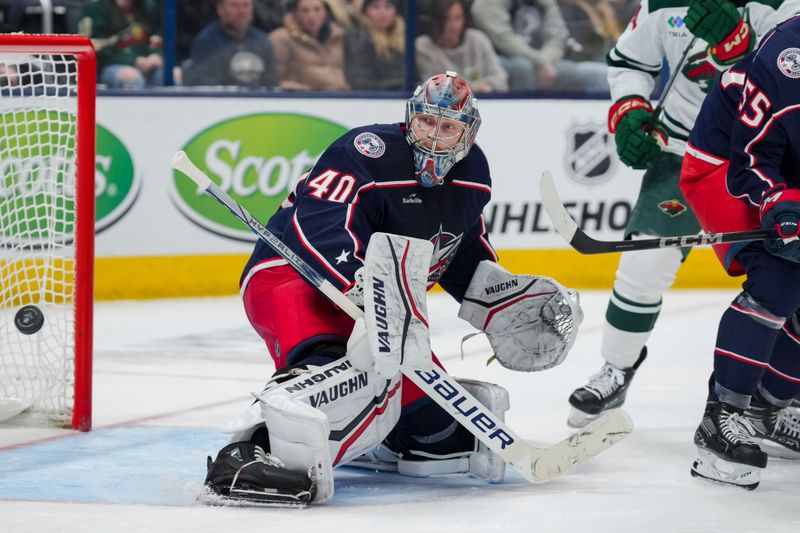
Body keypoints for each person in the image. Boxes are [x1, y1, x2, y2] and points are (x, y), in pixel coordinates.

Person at [199, 72, 582, 506]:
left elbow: (458, 247)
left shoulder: (474, 172)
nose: (436, 137)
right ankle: (246, 453)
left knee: (440, 433)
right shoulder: (363, 152)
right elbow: (321, 224)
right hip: (296, 276)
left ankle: (369, 435)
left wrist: (498, 299)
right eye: (427, 123)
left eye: (449, 127)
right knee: (338, 375)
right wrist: (362, 285)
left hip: (387, 303)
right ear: (409, 119)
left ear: (468, 132)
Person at [566, 0, 800, 430]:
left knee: (785, 274)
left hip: (766, 158)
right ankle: (616, 368)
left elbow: (788, 75)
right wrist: (632, 110)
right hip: (684, 151)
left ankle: (777, 398)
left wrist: (741, 48)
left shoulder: (781, 5)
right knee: (644, 261)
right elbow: (628, 59)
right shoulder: (662, 5)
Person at [678, 16, 800, 489]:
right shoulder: (789, 57)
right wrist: (780, 204)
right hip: (725, 163)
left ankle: (769, 408)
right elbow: (753, 155)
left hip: (786, 166)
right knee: (781, 274)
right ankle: (722, 415)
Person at [469, 0, 608, 92]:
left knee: (568, 71)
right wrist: (541, 61)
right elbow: (503, 39)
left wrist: (545, 61)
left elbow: (557, 37)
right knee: (521, 67)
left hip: (545, 62)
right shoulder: (486, 4)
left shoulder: (546, 3)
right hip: (498, 62)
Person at [416, 0, 509, 92]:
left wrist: (489, 86)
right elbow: (429, 88)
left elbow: (501, 78)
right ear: (436, 21)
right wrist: (472, 88)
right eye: (447, 19)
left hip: (484, 103)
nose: (453, 25)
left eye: (458, 18)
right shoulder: (423, 47)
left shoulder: (478, 41)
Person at [183, 0, 279, 88]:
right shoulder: (207, 41)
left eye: (246, 6)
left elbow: (271, 84)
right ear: (220, 9)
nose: (241, 12)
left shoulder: (262, 41)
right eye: (234, 6)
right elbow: (206, 86)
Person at [78, 0, 164, 89]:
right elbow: (95, 46)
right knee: (131, 77)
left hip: (147, 64)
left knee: (172, 75)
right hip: (109, 65)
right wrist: (132, 60)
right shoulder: (96, 7)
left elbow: (157, 36)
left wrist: (156, 55)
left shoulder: (147, 5)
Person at [270, 0, 349, 91]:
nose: (311, 15)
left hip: (341, 98)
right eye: (304, 10)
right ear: (295, 13)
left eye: (317, 9)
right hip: (300, 99)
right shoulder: (281, 38)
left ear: (325, 12)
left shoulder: (339, 37)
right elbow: (273, 80)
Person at [344, 0, 406, 90]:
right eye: (375, 6)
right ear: (365, 11)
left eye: (388, 6)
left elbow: (416, 77)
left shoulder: (405, 38)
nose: (382, 12)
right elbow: (360, 80)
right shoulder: (358, 38)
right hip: (371, 100)